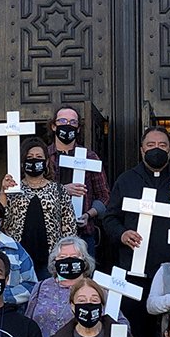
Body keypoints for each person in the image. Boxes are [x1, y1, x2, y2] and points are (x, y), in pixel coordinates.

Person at [99, 127, 170, 337]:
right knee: (136, 329)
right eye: (151, 145)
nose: (156, 149)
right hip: (134, 271)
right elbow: (110, 218)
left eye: (162, 145)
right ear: (141, 149)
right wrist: (122, 234)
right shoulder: (127, 180)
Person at [1, 135, 76, 280]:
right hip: (18, 258)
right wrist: (3, 191)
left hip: (50, 260)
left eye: (39, 156)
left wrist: (66, 257)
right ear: (22, 162)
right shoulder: (13, 189)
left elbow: (69, 227)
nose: (34, 160)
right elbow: (2, 219)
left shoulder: (58, 190)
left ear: (47, 162)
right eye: (30, 157)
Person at [50, 105, 112, 258]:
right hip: (50, 234)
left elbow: (104, 197)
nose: (67, 125)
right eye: (62, 121)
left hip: (83, 235)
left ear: (78, 128)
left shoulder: (90, 157)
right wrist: (62, 190)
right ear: (53, 126)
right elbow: (33, 191)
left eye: (73, 122)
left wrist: (88, 215)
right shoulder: (44, 156)